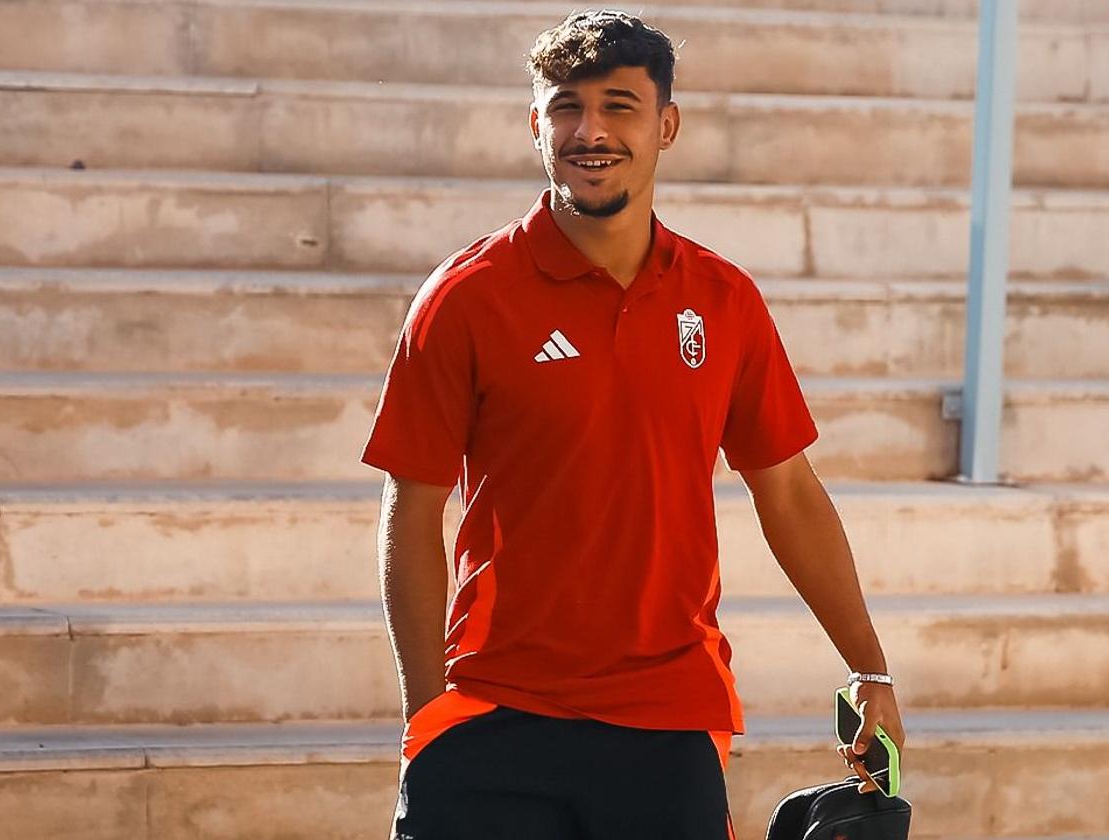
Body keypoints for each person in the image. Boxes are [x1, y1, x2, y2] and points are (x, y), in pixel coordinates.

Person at [360, 10, 906, 840]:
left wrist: (868, 667)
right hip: (492, 711)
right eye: (566, 106)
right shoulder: (465, 297)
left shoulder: (723, 300)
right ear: (536, 124)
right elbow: (412, 508)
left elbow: (789, 492)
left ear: (666, 126)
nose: (591, 131)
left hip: (667, 717)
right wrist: (425, 718)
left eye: (619, 105)